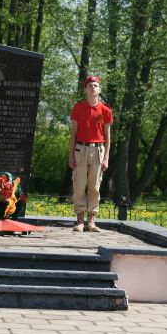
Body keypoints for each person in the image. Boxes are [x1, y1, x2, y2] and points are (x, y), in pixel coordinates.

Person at [68, 75, 112, 232]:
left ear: (99, 89)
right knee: (79, 185)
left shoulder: (106, 110)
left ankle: (91, 220)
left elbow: (107, 136)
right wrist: (71, 155)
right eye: (90, 85)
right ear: (85, 89)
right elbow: (73, 133)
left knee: (94, 185)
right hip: (81, 149)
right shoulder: (78, 108)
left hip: (98, 150)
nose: (93, 87)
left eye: (96, 85)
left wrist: (106, 157)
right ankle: (80, 220)